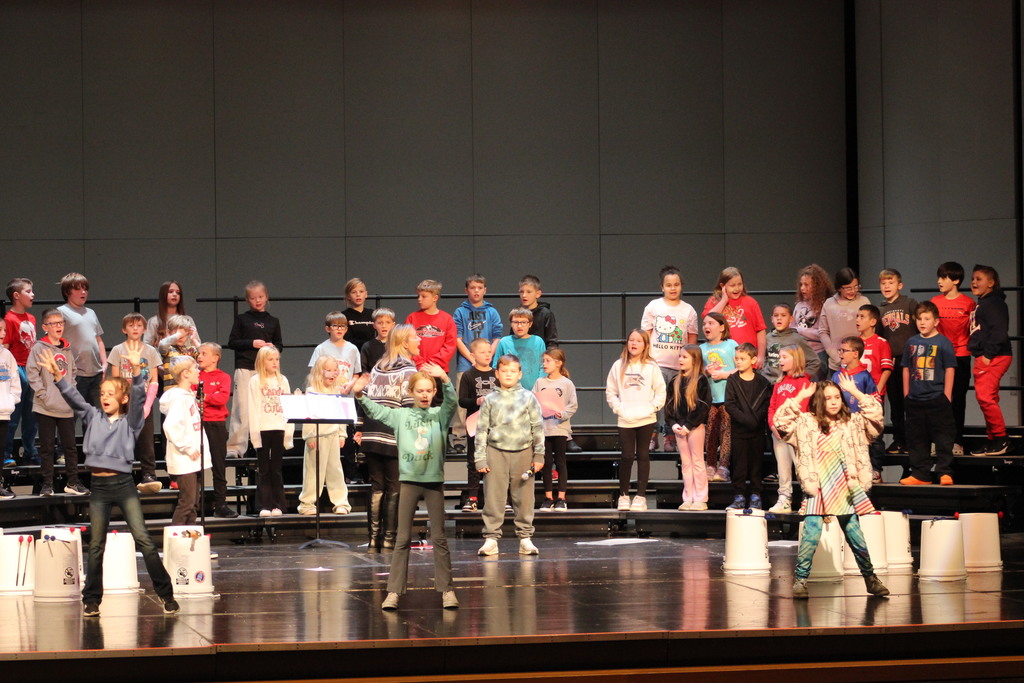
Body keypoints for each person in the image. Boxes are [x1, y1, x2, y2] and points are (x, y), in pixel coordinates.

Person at [36, 345, 178, 617]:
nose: (105, 398)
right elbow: (74, 397)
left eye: (111, 394)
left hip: (123, 486)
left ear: (122, 399)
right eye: (102, 394)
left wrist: (136, 370)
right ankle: (91, 600)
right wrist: (58, 376)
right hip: (99, 488)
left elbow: (138, 397)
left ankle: (166, 595)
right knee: (96, 545)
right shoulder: (93, 416)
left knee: (144, 540)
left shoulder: (131, 422)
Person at [348, 363, 458, 611]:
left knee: (439, 538)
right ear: (411, 392)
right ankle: (394, 592)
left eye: (428, 390)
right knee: (402, 539)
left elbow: (451, 402)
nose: (424, 395)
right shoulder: (401, 416)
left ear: (433, 392)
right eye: (420, 391)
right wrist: (359, 394)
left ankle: (447, 590)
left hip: (433, 482)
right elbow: (376, 411)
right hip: (408, 481)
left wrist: (445, 379)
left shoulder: (439, 415)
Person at [774, 376, 890, 599]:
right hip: (818, 486)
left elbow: (876, 417)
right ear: (820, 400)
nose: (834, 402)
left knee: (855, 535)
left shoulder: (852, 422)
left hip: (844, 486)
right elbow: (780, 422)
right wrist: (800, 397)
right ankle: (800, 580)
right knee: (811, 533)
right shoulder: (806, 423)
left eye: (837, 397)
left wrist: (855, 392)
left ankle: (870, 578)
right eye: (828, 398)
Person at [475, 354, 545, 555]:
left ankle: (525, 538)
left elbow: (538, 427)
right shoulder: (490, 399)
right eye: (504, 371)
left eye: (513, 371)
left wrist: (539, 455)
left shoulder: (528, 397)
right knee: (493, 497)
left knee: (524, 498)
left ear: (520, 374)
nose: (508, 374)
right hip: (495, 452)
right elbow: (481, 430)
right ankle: (491, 538)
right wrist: (480, 457)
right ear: (497, 373)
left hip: (523, 452)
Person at [360, 324, 419, 549]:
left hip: (372, 432)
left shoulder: (378, 367)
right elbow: (409, 408)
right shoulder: (408, 370)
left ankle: (373, 538)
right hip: (394, 434)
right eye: (415, 337)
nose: (419, 340)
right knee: (395, 487)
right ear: (405, 343)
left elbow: (365, 398)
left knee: (377, 486)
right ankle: (388, 539)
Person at [27, 308, 86, 496]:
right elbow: (32, 373)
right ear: (45, 327)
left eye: (61, 323)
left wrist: (71, 393)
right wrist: (43, 394)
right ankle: (47, 484)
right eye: (54, 323)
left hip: (65, 406)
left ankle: (73, 482)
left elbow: (73, 373)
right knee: (46, 447)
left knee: (70, 447)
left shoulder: (67, 349)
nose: (58, 326)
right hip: (45, 407)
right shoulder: (39, 348)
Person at [605, 329, 666, 512]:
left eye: (638, 341)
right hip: (625, 419)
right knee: (626, 456)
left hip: (646, 418)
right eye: (631, 340)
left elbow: (661, 391)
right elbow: (611, 392)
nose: (634, 344)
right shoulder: (618, 366)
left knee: (643, 455)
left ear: (645, 345)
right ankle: (624, 495)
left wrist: (652, 408)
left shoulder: (651, 367)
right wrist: (619, 409)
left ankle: (640, 496)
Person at [641, 265, 699, 452]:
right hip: (656, 363)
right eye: (668, 285)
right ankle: (652, 437)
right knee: (654, 402)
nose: (673, 288)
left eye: (676, 284)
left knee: (673, 403)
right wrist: (646, 360)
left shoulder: (688, 310)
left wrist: (689, 363)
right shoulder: (653, 306)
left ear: (681, 286)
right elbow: (646, 335)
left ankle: (670, 438)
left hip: (678, 366)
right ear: (662, 287)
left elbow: (692, 340)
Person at [899, 302, 957, 486]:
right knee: (916, 438)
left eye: (927, 319)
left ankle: (944, 472)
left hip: (937, 397)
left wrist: (947, 395)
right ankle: (920, 474)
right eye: (919, 319)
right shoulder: (911, 342)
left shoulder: (943, 342)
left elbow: (949, 368)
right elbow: (906, 368)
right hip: (915, 399)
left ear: (936, 321)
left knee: (943, 437)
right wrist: (906, 393)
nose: (922, 322)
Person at [226, 280, 283, 459]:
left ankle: (265, 446)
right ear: (247, 300)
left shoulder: (273, 321)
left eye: (260, 297)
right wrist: (252, 343)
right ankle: (235, 447)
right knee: (242, 409)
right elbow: (232, 342)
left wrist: (272, 347)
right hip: (245, 367)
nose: (257, 301)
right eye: (253, 298)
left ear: (266, 297)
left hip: (266, 372)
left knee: (266, 408)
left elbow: (280, 345)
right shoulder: (242, 319)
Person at [107, 312, 162, 493]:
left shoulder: (150, 351)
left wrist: (147, 405)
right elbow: (116, 381)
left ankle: (149, 474)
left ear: (144, 329)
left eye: (139, 326)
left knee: (146, 441)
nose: (135, 329)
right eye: (131, 326)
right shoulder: (118, 350)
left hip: (144, 402)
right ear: (124, 329)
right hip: (125, 402)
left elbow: (154, 380)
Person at [452, 274, 503, 453]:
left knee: (490, 399)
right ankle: (460, 437)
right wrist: (472, 358)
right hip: (466, 364)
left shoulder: (491, 312)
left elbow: (497, 336)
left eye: (479, 288)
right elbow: (457, 338)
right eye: (472, 288)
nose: (476, 291)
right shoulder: (460, 312)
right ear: (466, 290)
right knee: (463, 402)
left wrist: (488, 355)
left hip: (487, 365)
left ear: (485, 290)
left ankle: (492, 434)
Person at [159, 356, 211, 525]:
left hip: (193, 458)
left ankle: (191, 535)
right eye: (195, 368)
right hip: (185, 458)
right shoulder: (179, 398)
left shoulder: (187, 396)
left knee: (194, 503)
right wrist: (187, 447)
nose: (198, 371)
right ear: (185, 373)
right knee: (187, 503)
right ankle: (176, 536)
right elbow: (171, 426)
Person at [932, 261, 975, 455]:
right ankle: (938, 440)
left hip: (961, 356)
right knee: (938, 400)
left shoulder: (968, 303)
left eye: (944, 277)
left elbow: (974, 329)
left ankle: (957, 441)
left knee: (958, 400)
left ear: (956, 280)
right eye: (939, 277)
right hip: (939, 357)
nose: (939, 281)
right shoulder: (935, 302)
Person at [968, 264, 1012, 456]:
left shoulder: (994, 303)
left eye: (979, 279)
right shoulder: (983, 303)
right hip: (986, 355)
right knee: (987, 398)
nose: (973, 282)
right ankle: (993, 439)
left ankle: (1001, 439)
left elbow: (999, 331)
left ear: (991, 283)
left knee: (985, 397)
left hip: (994, 356)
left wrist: (988, 355)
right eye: (973, 279)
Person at [298, 355, 350, 515]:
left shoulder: (336, 391)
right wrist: (310, 435)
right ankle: (307, 503)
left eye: (335, 370)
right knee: (313, 471)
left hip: (333, 436)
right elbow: (308, 416)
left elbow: (340, 414)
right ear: (320, 372)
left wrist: (342, 434)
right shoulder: (312, 391)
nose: (333, 373)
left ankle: (341, 503)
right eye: (328, 370)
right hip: (317, 437)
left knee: (335, 470)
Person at [724, 343, 771, 510]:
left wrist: (755, 420)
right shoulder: (733, 380)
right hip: (739, 430)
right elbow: (730, 404)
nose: (738, 361)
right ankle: (739, 495)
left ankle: (756, 494)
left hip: (757, 430)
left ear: (753, 360)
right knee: (739, 464)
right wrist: (746, 420)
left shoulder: (762, 382)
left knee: (756, 463)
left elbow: (765, 404)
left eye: (742, 359)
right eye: (736, 358)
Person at [766, 345, 813, 513]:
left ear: (796, 359)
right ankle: (785, 498)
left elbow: (803, 409)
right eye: (780, 357)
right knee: (783, 468)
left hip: (797, 434)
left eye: (784, 357)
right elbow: (772, 407)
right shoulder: (779, 383)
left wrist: (789, 428)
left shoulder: (804, 382)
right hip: (778, 434)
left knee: (802, 467)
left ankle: (808, 498)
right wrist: (773, 425)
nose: (780, 360)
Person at [247, 345, 293, 516]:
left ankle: (278, 505)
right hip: (262, 429)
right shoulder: (255, 381)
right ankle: (264, 505)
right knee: (264, 469)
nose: (275, 363)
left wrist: (288, 433)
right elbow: (252, 408)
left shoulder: (283, 380)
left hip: (279, 428)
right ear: (262, 361)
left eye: (277, 359)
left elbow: (288, 407)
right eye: (270, 359)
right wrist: (255, 435)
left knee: (276, 469)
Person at [664, 344, 711, 511]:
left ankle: (700, 498)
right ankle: (688, 497)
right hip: (679, 428)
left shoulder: (701, 380)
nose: (681, 359)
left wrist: (689, 425)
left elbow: (703, 406)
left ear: (695, 360)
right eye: (680, 356)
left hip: (694, 427)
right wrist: (673, 424)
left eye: (685, 357)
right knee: (685, 463)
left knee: (697, 461)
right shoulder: (674, 381)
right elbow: (669, 406)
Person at [877, 269, 918, 457]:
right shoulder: (881, 309)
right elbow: (880, 337)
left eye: (891, 282)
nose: (887, 286)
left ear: (899, 285)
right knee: (895, 403)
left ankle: (912, 440)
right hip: (891, 360)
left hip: (909, 360)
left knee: (909, 400)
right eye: (883, 283)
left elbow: (919, 327)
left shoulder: (909, 303)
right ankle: (899, 439)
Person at [533, 349, 577, 511]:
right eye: (543, 361)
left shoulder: (567, 383)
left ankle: (561, 498)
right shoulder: (540, 382)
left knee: (560, 462)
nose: (544, 364)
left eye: (548, 361)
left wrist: (562, 414)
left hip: (560, 428)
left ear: (558, 363)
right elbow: (533, 401)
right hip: (544, 429)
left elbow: (573, 405)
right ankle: (548, 497)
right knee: (546, 463)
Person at [197, 342, 236, 518]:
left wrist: (204, 396)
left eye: (204, 353)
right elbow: (192, 396)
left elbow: (222, 399)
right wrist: (209, 397)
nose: (199, 356)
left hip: (216, 424)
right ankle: (194, 504)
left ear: (215, 358)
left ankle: (220, 504)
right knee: (196, 466)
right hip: (198, 424)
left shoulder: (223, 377)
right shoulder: (195, 376)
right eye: (199, 353)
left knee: (219, 466)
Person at [457, 337, 496, 512]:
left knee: (495, 460)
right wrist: (477, 401)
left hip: (495, 425)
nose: (487, 355)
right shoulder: (468, 375)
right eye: (482, 352)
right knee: (474, 460)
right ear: (472, 355)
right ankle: (472, 497)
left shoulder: (497, 374)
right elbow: (462, 401)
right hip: (475, 424)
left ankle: (499, 498)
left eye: (489, 352)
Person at [3, 277, 38, 467]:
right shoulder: (9, 319)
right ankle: (6, 452)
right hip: (16, 369)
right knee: (13, 415)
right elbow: (6, 347)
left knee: (32, 415)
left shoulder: (31, 318)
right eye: (28, 291)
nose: (32, 295)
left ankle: (30, 451)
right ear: (16, 295)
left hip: (31, 368)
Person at [57, 272, 106, 409]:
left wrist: (104, 363)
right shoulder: (61, 312)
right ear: (67, 292)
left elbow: (98, 338)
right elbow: (54, 341)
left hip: (96, 372)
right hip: (76, 374)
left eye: (85, 289)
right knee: (73, 412)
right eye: (78, 289)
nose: (83, 292)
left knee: (98, 414)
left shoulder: (91, 312)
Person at [702, 267, 766, 368]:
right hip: (724, 358)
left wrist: (761, 356)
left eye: (740, 284)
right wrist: (723, 301)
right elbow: (708, 319)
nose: (737, 288)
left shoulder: (751, 302)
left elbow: (760, 330)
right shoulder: (713, 302)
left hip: (748, 357)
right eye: (732, 285)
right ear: (723, 286)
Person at [855, 304, 892, 481]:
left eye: (862, 316)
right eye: (857, 316)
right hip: (855, 396)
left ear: (873, 321)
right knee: (856, 432)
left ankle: (876, 469)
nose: (857, 320)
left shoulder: (881, 343)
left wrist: (877, 390)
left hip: (873, 396)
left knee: (874, 433)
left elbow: (886, 369)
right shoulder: (853, 342)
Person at [700, 312, 737, 483]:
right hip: (711, 398)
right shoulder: (702, 348)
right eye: (704, 324)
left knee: (726, 431)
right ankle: (710, 465)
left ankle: (723, 467)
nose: (706, 327)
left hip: (728, 397)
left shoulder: (731, 344)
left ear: (722, 327)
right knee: (711, 432)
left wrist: (725, 374)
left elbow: (740, 367)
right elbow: (697, 372)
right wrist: (705, 372)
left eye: (711, 323)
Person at [819, 267, 870, 373]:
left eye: (856, 287)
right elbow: (823, 332)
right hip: (836, 363)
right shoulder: (829, 304)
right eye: (848, 288)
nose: (853, 291)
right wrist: (835, 356)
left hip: (860, 361)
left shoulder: (864, 302)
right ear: (839, 288)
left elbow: (869, 331)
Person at [405, 279, 457, 373]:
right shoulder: (412, 318)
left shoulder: (447, 319)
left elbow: (449, 346)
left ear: (435, 298)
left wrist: (431, 364)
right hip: (416, 369)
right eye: (418, 296)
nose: (419, 299)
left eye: (424, 296)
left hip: (438, 369)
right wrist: (419, 364)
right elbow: (406, 343)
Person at [762, 302, 821, 384]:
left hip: (789, 384)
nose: (779, 318)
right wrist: (765, 372)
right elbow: (763, 357)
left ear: (791, 319)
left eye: (783, 315)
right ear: (772, 319)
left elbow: (814, 361)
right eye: (776, 315)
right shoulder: (768, 337)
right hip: (769, 383)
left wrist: (800, 377)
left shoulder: (797, 339)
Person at [792, 264, 834, 379]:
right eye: (801, 284)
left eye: (806, 285)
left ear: (816, 286)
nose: (802, 288)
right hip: (799, 353)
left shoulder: (825, 305)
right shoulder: (799, 305)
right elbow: (792, 328)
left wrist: (800, 331)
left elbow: (823, 333)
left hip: (817, 354)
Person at [495, 307, 547, 393]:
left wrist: (539, 387)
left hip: (534, 391)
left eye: (523, 322)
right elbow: (496, 366)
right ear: (511, 323)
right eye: (516, 322)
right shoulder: (504, 342)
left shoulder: (538, 341)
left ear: (530, 324)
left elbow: (543, 366)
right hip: (509, 392)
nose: (519, 326)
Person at [307, 311, 361, 382]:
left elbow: (356, 373)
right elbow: (313, 372)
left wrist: (350, 385)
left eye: (342, 326)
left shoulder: (352, 349)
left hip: (346, 388)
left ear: (346, 329)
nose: (339, 329)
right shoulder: (321, 348)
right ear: (328, 329)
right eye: (335, 326)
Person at [0, 324, 21, 497]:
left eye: (4, 330)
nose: (3, 333)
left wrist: (10, 402)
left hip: (3, 412)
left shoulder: (7, 355)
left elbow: (15, 381)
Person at [145, 281, 196, 347]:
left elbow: (196, 344)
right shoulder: (154, 321)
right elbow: (147, 346)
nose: (175, 294)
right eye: (170, 291)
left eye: (178, 293)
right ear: (163, 294)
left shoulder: (188, 319)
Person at [156, 314, 201, 390]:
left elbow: (204, 356)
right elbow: (162, 345)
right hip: (171, 390)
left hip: (188, 390)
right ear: (169, 332)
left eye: (184, 333)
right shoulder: (168, 349)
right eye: (177, 332)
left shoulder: (191, 350)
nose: (181, 336)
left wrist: (194, 339)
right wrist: (177, 335)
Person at [342, 278, 375, 350]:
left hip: (371, 352)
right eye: (354, 292)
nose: (358, 295)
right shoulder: (343, 316)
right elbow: (346, 339)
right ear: (348, 296)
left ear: (366, 294)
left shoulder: (373, 314)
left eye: (361, 291)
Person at [360, 307, 395, 374]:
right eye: (380, 323)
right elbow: (363, 369)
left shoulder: (398, 344)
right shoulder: (368, 346)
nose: (384, 326)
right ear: (374, 325)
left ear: (393, 325)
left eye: (388, 322)